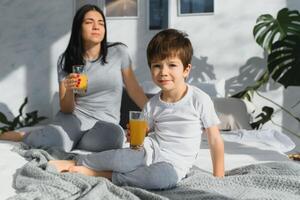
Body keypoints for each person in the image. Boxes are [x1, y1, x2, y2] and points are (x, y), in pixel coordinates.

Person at [49, 29, 225, 190]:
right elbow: (142, 135)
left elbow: (215, 139)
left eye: (172, 65)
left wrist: (219, 177)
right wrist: (132, 135)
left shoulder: (198, 99)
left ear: (186, 70)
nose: (163, 72)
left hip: (175, 164)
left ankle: (104, 176)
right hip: (150, 150)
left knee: (159, 179)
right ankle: (76, 160)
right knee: (121, 158)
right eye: (157, 66)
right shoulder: (152, 104)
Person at [0, 4, 148, 152]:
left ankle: (74, 139)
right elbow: (67, 108)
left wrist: (155, 115)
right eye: (89, 22)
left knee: (114, 137)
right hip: (73, 119)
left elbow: (134, 89)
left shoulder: (118, 52)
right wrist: (69, 89)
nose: (96, 27)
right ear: (79, 27)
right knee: (53, 142)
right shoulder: (66, 59)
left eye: (101, 23)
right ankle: (27, 136)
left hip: (105, 123)